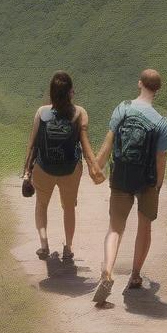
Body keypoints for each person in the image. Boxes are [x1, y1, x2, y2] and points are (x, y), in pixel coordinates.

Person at [92, 69, 167, 303]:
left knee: (115, 228)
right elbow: (161, 158)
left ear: (140, 84)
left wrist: (98, 167)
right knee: (144, 227)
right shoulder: (161, 123)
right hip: (146, 180)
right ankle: (135, 276)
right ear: (157, 90)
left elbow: (109, 141)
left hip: (122, 174)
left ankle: (107, 271)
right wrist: (157, 186)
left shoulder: (123, 109)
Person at [22, 71, 104, 262]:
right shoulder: (79, 113)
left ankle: (44, 245)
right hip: (70, 170)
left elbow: (32, 144)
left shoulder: (42, 112)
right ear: (71, 92)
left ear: (51, 92)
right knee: (69, 208)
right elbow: (84, 144)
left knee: (41, 205)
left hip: (43, 169)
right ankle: (67, 248)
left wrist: (27, 172)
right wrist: (94, 167)